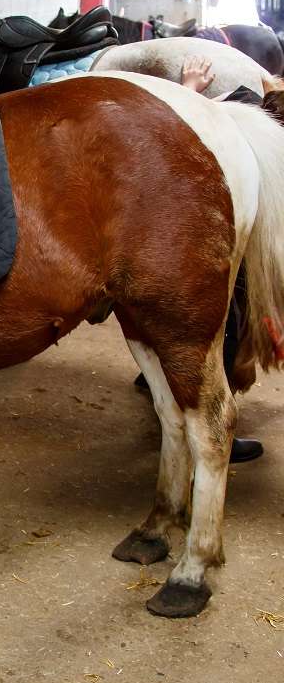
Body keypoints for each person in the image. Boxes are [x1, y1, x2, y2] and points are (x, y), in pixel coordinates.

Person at [134, 54, 264, 463]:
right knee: (218, 320)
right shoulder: (248, 116)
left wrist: (188, 90)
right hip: (201, 225)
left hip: (172, 223)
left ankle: (156, 377)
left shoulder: (235, 105)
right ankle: (199, 412)